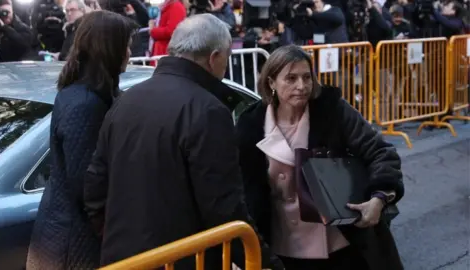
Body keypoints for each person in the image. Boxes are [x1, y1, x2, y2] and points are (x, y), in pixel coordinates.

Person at [83, 13, 284, 270]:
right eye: (227, 58)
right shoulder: (209, 111)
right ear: (214, 58)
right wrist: (264, 261)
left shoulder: (127, 99)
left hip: (123, 259)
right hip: (183, 260)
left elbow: (94, 189)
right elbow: (223, 208)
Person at [236, 45, 405, 270]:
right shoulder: (251, 125)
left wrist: (379, 198)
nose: (301, 86)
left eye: (307, 77)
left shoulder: (331, 110)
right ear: (271, 83)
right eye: (291, 78)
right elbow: (240, 189)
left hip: (342, 243)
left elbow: (381, 152)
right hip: (282, 250)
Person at [26, 11, 137, 270]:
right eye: (126, 46)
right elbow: (85, 185)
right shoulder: (85, 104)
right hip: (72, 246)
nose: (130, 53)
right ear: (110, 48)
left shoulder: (86, 94)